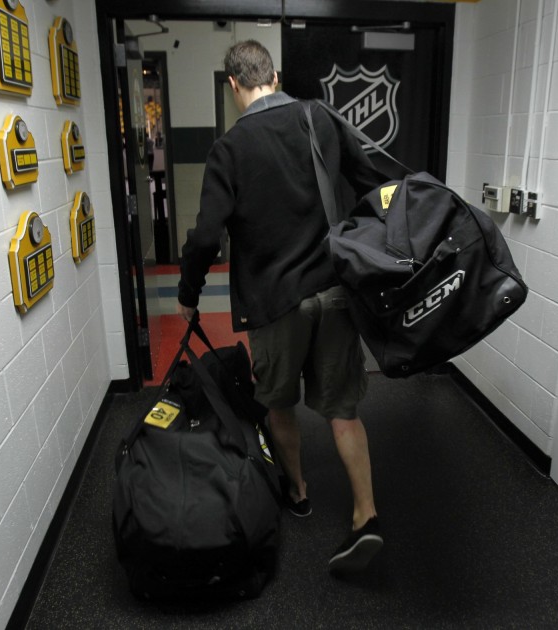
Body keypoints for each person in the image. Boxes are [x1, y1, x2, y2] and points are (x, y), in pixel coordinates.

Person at [176, 40, 386, 575]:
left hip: (274, 303)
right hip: (334, 291)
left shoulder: (230, 148)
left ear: (233, 86)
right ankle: (367, 514)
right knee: (344, 410)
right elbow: (371, 186)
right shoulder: (321, 118)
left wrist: (188, 292)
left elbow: (204, 238)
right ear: (276, 74)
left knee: (278, 403)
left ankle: (297, 491)